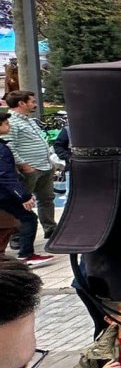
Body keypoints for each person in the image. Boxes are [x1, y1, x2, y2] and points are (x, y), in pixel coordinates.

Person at [4, 90, 56, 259]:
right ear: (21, 103)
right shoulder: (11, 122)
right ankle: (17, 236)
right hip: (30, 169)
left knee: (46, 199)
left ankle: (50, 229)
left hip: (44, 166)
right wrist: (23, 165)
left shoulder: (29, 120)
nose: (35, 104)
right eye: (32, 101)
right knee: (22, 203)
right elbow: (9, 145)